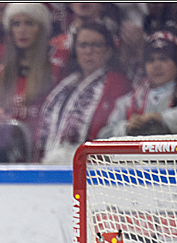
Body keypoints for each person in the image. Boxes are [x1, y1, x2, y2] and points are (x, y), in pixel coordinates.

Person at [35, 20, 131, 164]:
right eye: (83, 45)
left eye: (96, 45)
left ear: (109, 50)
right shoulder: (65, 84)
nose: (88, 51)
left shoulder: (118, 84)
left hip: (93, 169)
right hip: (49, 165)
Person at [0, 3, 55, 160]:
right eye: (16, 24)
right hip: (8, 156)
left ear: (41, 28)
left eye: (29, 23)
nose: (22, 30)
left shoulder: (55, 70)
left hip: (44, 156)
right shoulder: (1, 73)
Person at [99, 31, 177, 138]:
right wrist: (127, 127)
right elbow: (104, 134)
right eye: (150, 60)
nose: (156, 65)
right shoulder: (128, 101)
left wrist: (161, 118)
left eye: (163, 59)